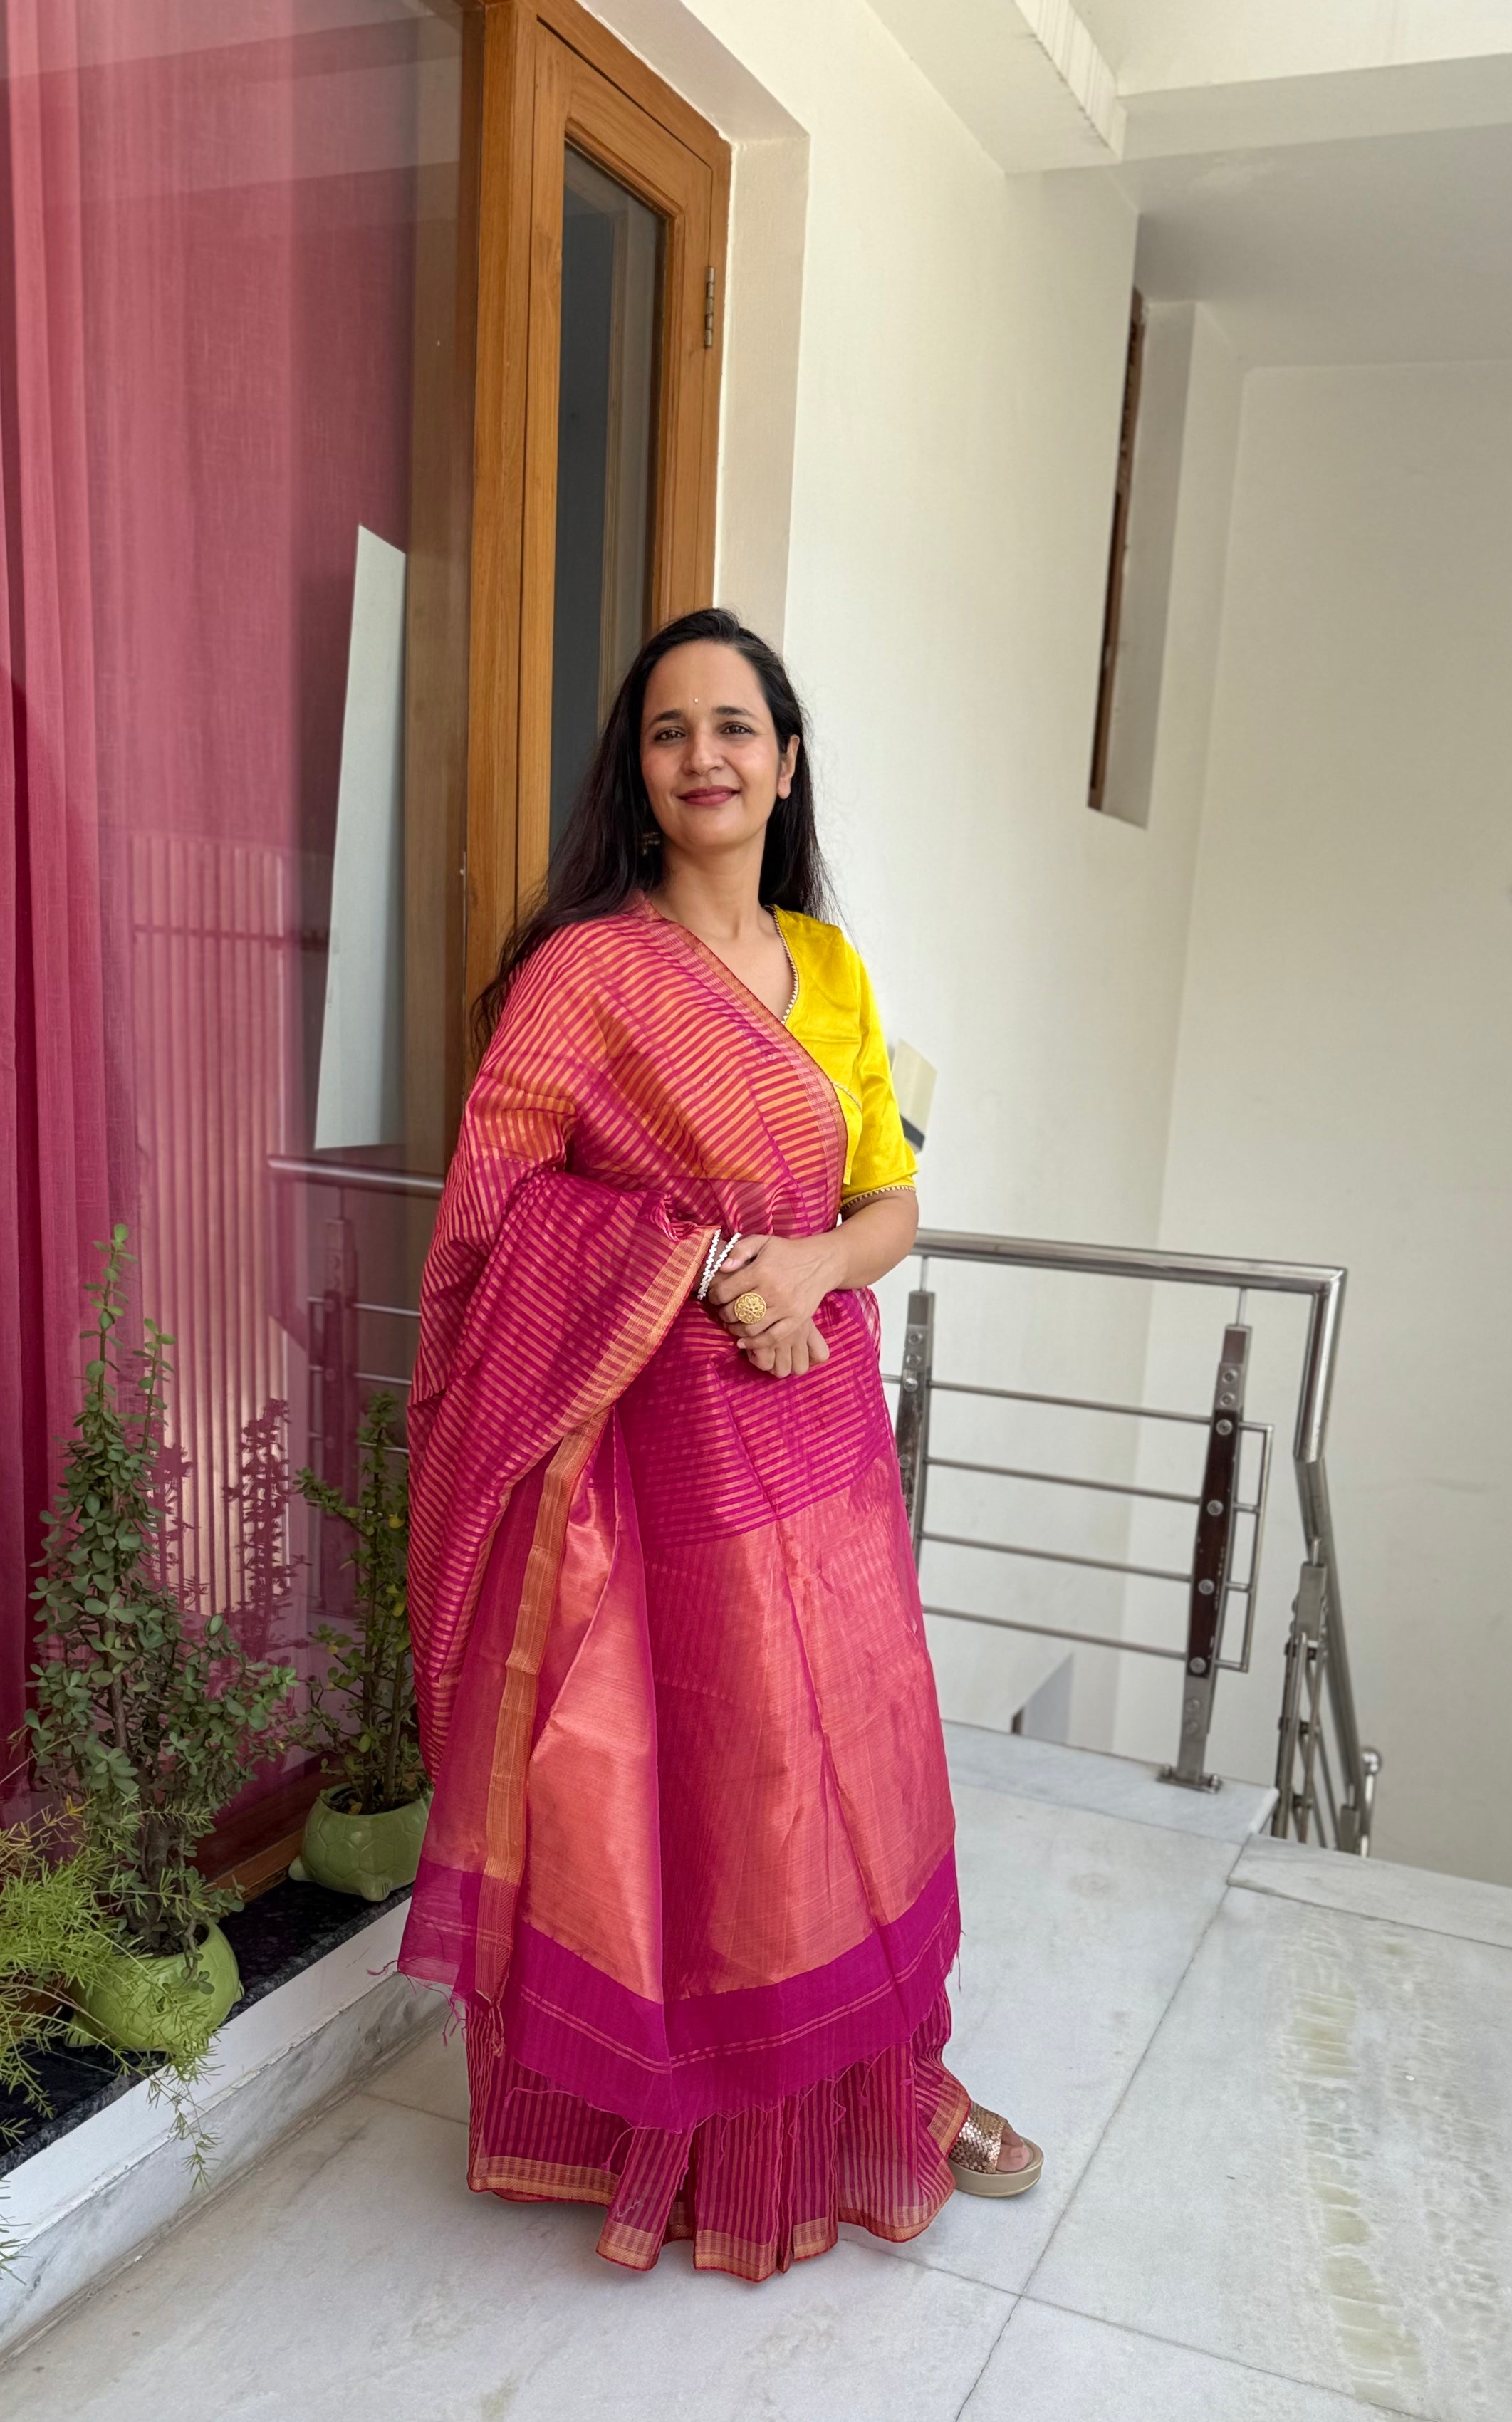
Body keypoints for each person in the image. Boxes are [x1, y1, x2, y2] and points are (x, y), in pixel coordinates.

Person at [398, 607, 1037, 2280]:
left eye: (734, 726)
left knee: (853, 1768)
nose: (704, 756)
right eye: (671, 730)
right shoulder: (587, 975)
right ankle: (675, 2132)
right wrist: (680, 1261)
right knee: (699, 1781)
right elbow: (493, 1212)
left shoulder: (824, 971)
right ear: (641, 769)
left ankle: (884, 2090)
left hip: (815, 1427)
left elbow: (888, 1198)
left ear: (784, 761)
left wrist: (810, 1267)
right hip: (655, 1435)